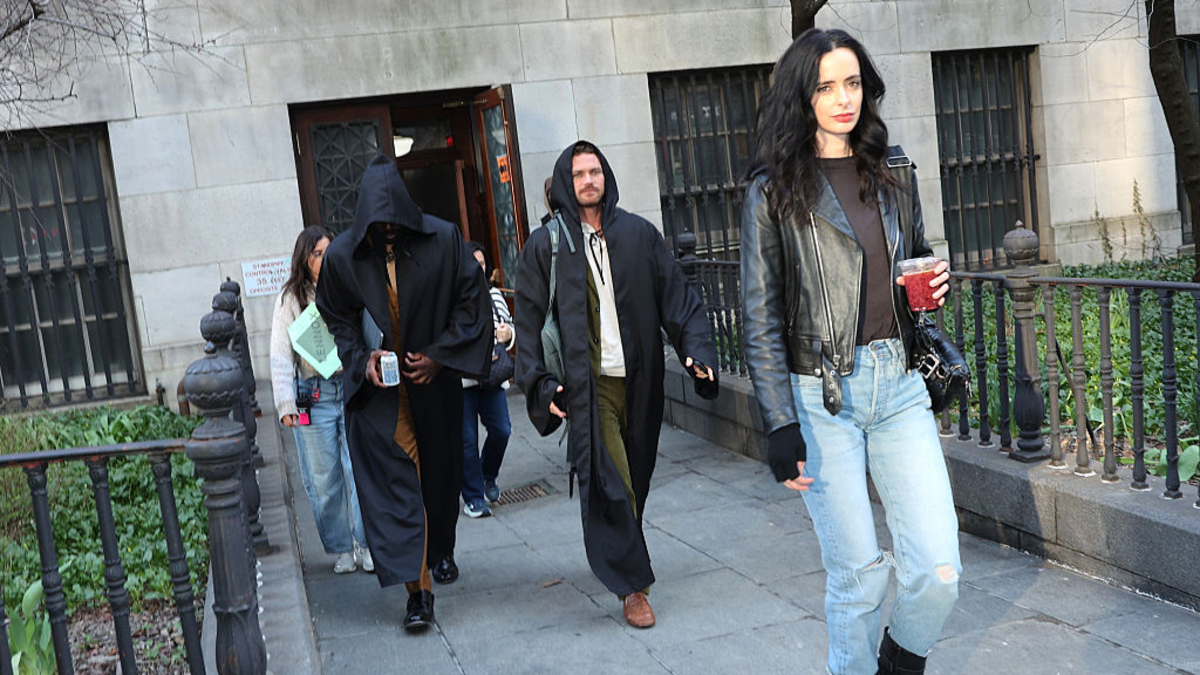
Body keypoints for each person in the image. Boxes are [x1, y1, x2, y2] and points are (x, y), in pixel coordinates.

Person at [740, 28, 960, 675]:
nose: (844, 99)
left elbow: (910, 266)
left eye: (854, 83)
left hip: (898, 387)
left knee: (939, 571)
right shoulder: (772, 189)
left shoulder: (894, 170)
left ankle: (898, 659)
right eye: (827, 86)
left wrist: (933, 287)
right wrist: (779, 422)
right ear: (802, 96)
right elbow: (757, 315)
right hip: (820, 395)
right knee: (859, 576)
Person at [514, 140, 719, 629]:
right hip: (590, 387)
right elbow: (526, 325)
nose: (589, 180)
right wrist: (541, 387)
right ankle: (633, 589)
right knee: (611, 481)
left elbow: (678, 297)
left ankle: (623, 554)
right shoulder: (547, 245)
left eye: (596, 171)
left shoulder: (638, 235)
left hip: (641, 382)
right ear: (567, 181)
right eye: (579, 173)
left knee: (636, 480)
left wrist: (699, 353)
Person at [315, 154, 493, 632]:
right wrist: (361, 361)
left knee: (439, 479)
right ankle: (419, 594)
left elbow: (471, 304)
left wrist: (440, 354)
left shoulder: (444, 240)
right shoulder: (342, 257)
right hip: (382, 401)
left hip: (435, 390)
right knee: (400, 487)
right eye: (380, 226)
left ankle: (442, 550)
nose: (389, 232)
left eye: (396, 224)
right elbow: (336, 319)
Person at [269, 225, 372, 575]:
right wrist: (285, 405)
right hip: (314, 396)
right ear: (304, 258)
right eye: (316, 253)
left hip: (352, 387)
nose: (324, 258)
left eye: (328, 250)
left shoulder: (347, 285)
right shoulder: (290, 299)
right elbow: (280, 356)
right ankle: (341, 546)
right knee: (325, 478)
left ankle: (365, 542)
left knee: (359, 468)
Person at [460, 241, 515, 518]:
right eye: (473, 263)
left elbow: (508, 328)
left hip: (492, 375)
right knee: (467, 439)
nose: (477, 268)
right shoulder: (451, 298)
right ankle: (472, 497)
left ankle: (487, 474)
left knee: (502, 430)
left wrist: (507, 335)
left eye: (481, 263)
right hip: (463, 381)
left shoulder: (494, 295)